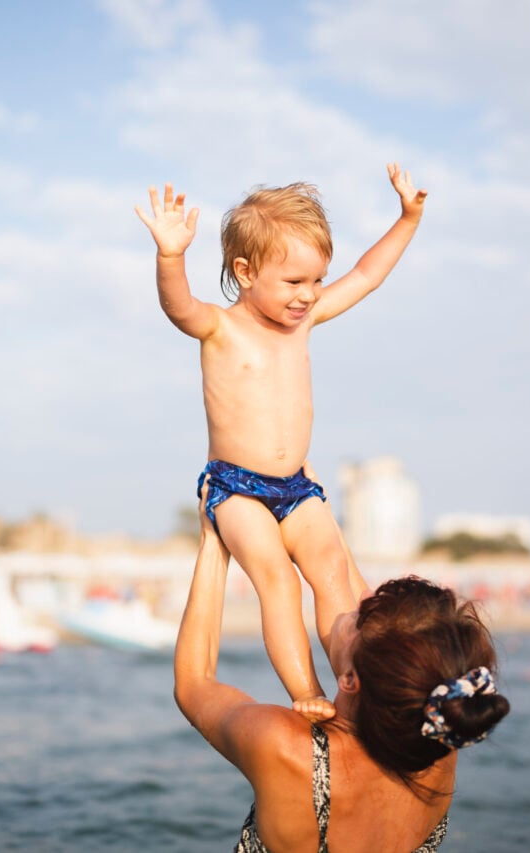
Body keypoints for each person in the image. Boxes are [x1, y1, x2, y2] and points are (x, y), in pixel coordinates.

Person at [136, 165, 427, 713]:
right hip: (236, 489)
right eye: (293, 282)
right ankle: (307, 692)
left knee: (333, 571)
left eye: (316, 280)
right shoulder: (219, 328)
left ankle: (355, 678)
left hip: (296, 486)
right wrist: (170, 256)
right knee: (277, 581)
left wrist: (407, 219)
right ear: (245, 272)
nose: (308, 295)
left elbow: (366, 275)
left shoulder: (304, 320)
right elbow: (177, 306)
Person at [173, 480, 511, 853]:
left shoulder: (287, 748)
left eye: (356, 620)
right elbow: (359, 603)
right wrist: (317, 504)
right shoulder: (440, 735)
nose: (353, 605)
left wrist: (212, 541)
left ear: (351, 679)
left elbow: (194, 683)